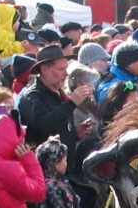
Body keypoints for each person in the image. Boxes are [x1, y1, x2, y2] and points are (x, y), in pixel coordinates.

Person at [18, 45, 94, 173]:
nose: (66, 74)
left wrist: (74, 133)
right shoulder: (32, 97)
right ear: (44, 69)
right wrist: (72, 103)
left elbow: (57, 128)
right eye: (60, 69)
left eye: (66, 68)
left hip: (65, 169)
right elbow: (43, 125)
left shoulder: (58, 93)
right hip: (45, 173)